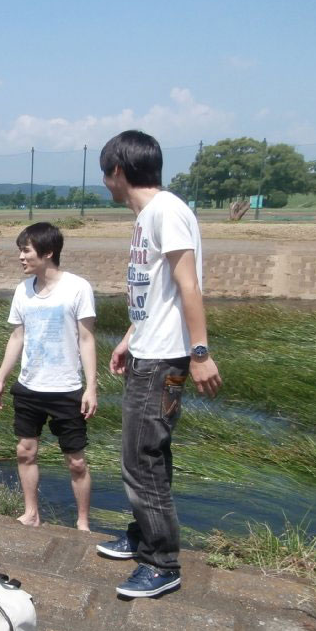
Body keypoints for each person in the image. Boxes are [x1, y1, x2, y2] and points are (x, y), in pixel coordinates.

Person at [95, 130, 222, 598]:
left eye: (106, 175)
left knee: (141, 460)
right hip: (148, 351)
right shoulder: (152, 214)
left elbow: (189, 286)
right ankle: (144, 535)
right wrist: (130, 336)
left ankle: (161, 562)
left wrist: (200, 353)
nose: (105, 185)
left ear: (119, 172)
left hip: (165, 358)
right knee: (146, 453)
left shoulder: (165, 212)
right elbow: (156, 292)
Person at [0, 222, 98, 532]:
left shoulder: (78, 288)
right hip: (29, 388)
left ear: (48, 252)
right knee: (25, 451)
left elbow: (87, 339)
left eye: (26, 250)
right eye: (20, 251)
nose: (21, 257)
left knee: (76, 461)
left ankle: (82, 523)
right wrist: (0, 379)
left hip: (67, 389)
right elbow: (17, 337)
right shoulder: (22, 291)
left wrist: (91, 387)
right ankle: (32, 513)